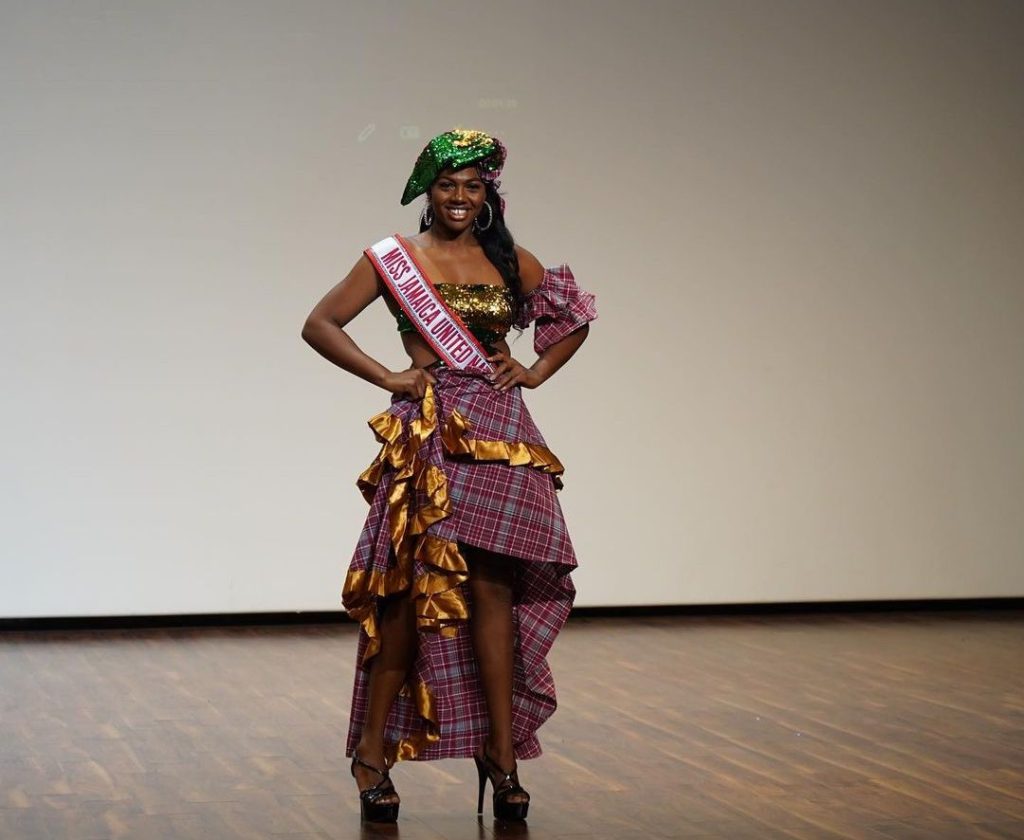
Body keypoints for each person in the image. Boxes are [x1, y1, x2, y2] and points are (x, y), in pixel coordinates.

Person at [301, 128, 597, 823]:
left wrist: (534, 369)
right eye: (447, 185)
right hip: (430, 437)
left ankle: (501, 753)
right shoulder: (395, 259)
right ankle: (371, 752)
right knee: (410, 594)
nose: (460, 197)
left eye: (473, 186)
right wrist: (390, 376)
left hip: (503, 437)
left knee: (493, 593)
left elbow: (574, 317)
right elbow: (321, 323)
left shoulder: (507, 260)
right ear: (426, 191)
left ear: (487, 194)